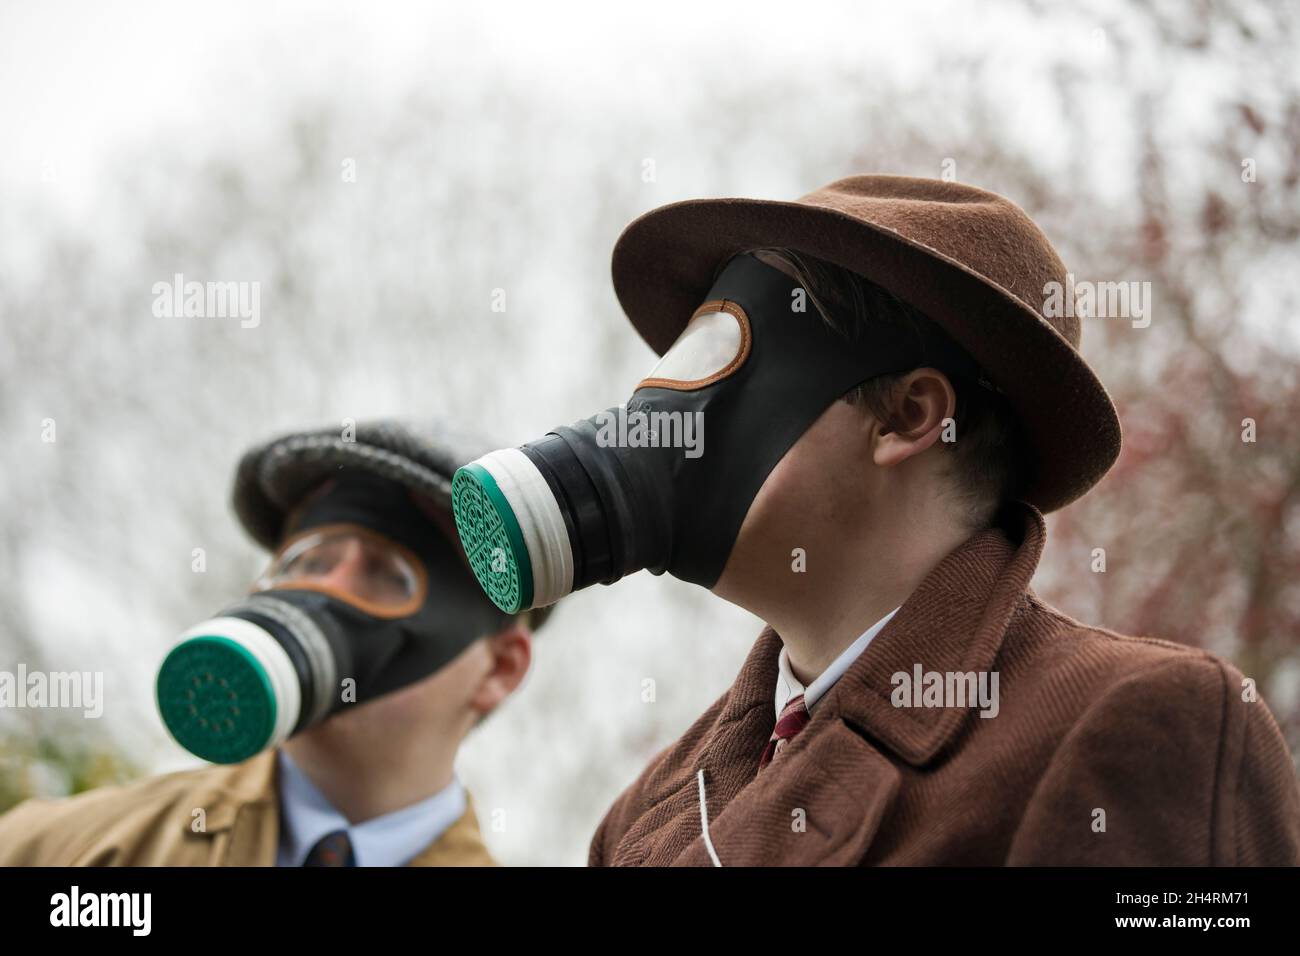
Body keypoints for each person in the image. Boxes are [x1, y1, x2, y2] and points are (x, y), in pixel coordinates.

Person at [449, 174, 1300, 865]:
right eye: (678, 359)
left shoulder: (1138, 727)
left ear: (907, 416)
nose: (655, 409)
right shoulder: (649, 815)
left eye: (721, 359)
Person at [0, 420, 552, 866]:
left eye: (386, 574)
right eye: (305, 562)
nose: (318, 591)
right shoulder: (57, 853)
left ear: (499, 669)